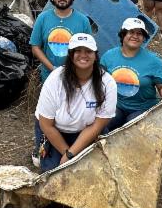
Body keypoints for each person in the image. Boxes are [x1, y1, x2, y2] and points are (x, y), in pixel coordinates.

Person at [28, 0, 93, 166]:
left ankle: (71, 147)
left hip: (77, 77)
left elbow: (88, 49)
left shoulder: (81, 20)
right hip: (49, 76)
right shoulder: (43, 18)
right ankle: (41, 145)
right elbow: (35, 46)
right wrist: (53, 68)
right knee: (45, 115)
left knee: (71, 112)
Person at [35, 33, 117, 172]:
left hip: (87, 131)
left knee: (98, 171)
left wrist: (71, 154)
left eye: (88, 51)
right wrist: (67, 154)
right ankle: (42, 150)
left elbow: (98, 125)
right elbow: (46, 124)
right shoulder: (55, 79)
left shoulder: (107, 82)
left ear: (95, 55)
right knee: (53, 173)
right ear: (70, 54)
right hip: (55, 131)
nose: (83, 55)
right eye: (77, 51)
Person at [102, 17, 162, 132]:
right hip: (117, 105)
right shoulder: (109, 56)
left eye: (140, 33)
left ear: (143, 38)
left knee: (131, 130)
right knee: (101, 125)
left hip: (142, 108)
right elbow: (100, 81)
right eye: (131, 32)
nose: (135, 36)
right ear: (123, 34)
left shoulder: (154, 61)